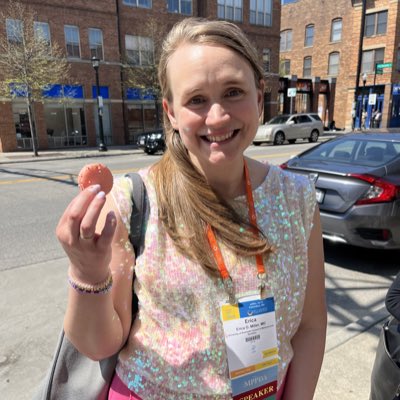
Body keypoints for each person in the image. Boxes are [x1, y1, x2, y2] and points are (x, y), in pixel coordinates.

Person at [56, 18, 327, 400]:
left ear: (259, 94)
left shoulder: (298, 200)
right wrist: (86, 272)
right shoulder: (134, 199)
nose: (217, 117)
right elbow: (99, 345)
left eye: (233, 91)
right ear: (170, 112)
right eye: (196, 99)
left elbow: (311, 325)